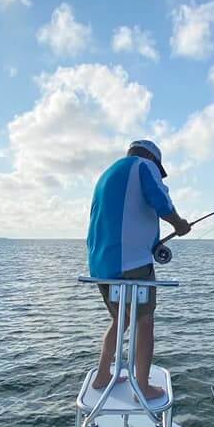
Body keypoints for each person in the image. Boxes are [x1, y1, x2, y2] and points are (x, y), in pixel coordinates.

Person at [86, 140, 190, 401]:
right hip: (132, 263)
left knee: (121, 320)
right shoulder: (144, 166)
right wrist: (179, 224)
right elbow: (159, 199)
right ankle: (141, 387)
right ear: (152, 158)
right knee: (144, 322)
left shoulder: (109, 173)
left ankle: (102, 376)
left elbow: (124, 217)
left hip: (101, 264)